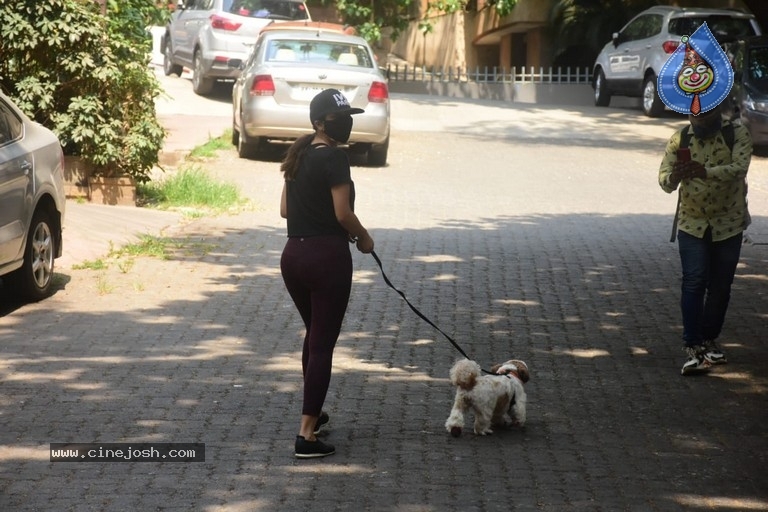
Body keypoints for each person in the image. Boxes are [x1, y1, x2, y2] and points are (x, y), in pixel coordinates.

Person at [279, 88, 375, 458]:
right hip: (327, 259)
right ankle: (306, 436)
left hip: (293, 257)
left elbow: (286, 210)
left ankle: (314, 416)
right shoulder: (335, 159)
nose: (346, 123)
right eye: (339, 118)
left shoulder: (298, 155)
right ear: (319, 123)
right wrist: (363, 237)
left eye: (349, 116)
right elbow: (342, 214)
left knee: (314, 336)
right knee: (322, 345)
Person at [658, 104, 752, 375]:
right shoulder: (680, 138)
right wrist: (675, 175)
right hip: (692, 222)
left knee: (721, 286)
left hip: (729, 223)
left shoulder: (737, 133)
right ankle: (693, 345)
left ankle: (709, 339)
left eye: (704, 115)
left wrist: (705, 172)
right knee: (694, 280)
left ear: (717, 110)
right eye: (693, 116)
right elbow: (664, 180)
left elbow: (739, 168)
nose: (698, 120)